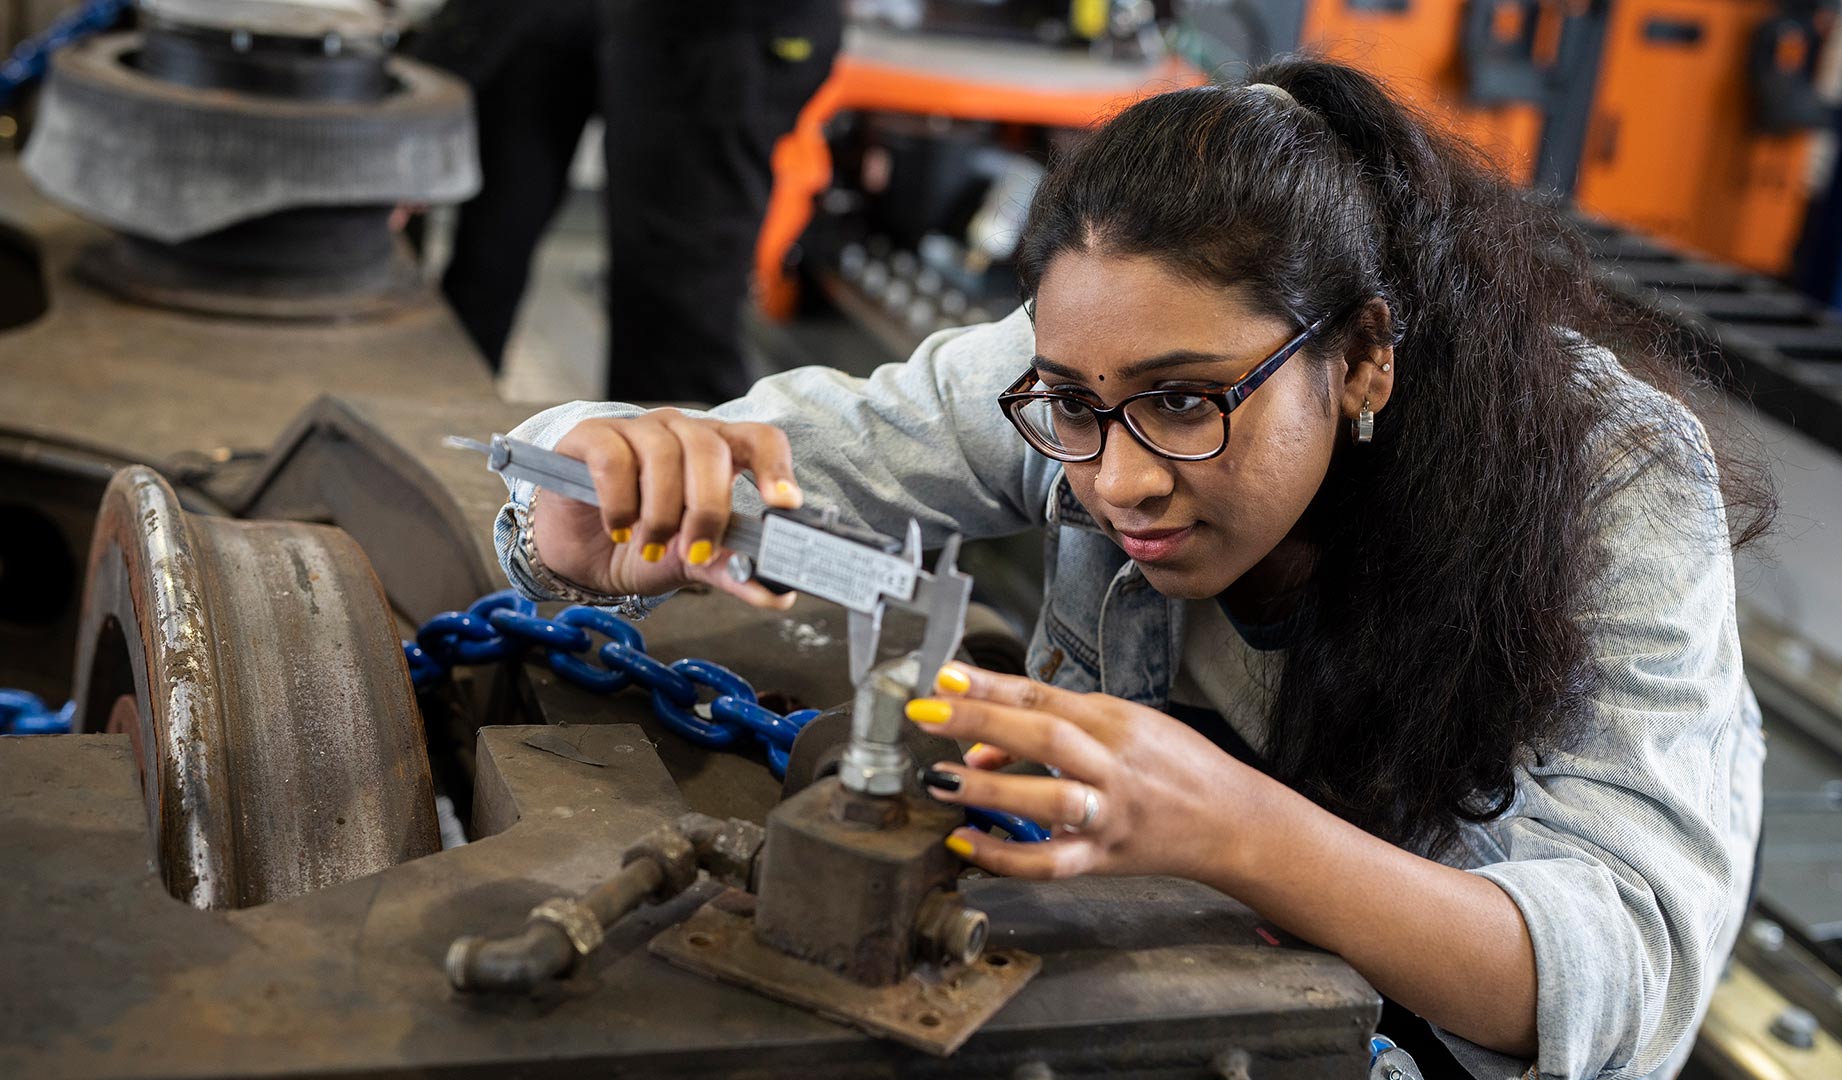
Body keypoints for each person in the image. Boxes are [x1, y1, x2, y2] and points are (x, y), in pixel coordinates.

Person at [490, 57, 1771, 1080]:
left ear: (1365, 355)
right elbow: (766, 450)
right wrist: (583, 502)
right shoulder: (1100, 358)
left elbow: (1630, 978)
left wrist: (1235, 829)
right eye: (1072, 406)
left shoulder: (1611, 480)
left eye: (1187, 403)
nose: (1118, 478)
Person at [410, 0, 841, 403]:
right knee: (488, 256)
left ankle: (670, 474)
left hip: (717, 24)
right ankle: (444, 437)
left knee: (673, 321)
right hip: (592, 17)